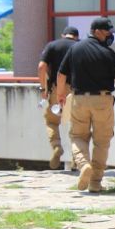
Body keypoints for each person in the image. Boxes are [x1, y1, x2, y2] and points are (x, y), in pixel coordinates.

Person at [56, 17, 115, 193]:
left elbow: (61, 74)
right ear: (97, 32)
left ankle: (84, 165)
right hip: (103, 100)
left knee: (78, 136)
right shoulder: (108, 54)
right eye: (108, 32)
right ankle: (95, 181)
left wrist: (60, 95)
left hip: (80, 99)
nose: (111, 35)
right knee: (102, 142)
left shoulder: (75, 49)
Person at [38, 26, 79, 169]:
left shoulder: (52, 46)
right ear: (76, 36)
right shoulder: (80, 47)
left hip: (57, 89)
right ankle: (76, 157)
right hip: (76, 90)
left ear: (63, 35)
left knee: (51, 121)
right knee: (77, 124)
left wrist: (43, 88)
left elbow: (41, 67)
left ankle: (56, 146)